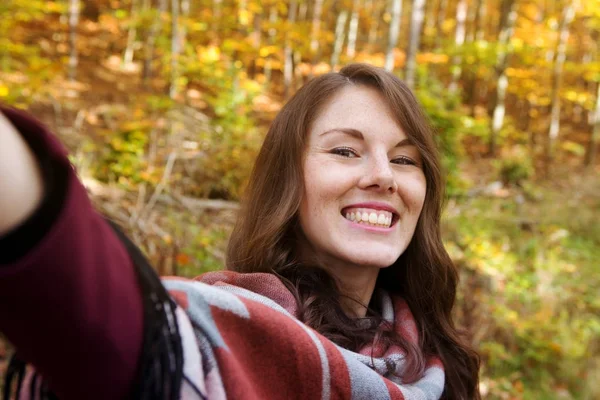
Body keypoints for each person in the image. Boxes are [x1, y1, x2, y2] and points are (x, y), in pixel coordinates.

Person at [0, 63, 480, 399]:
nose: (383, 175)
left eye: (403, 159)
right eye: (344, 152)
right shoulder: (224, 334)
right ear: (287, 182)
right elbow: (103, 320)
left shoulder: (438, 364)